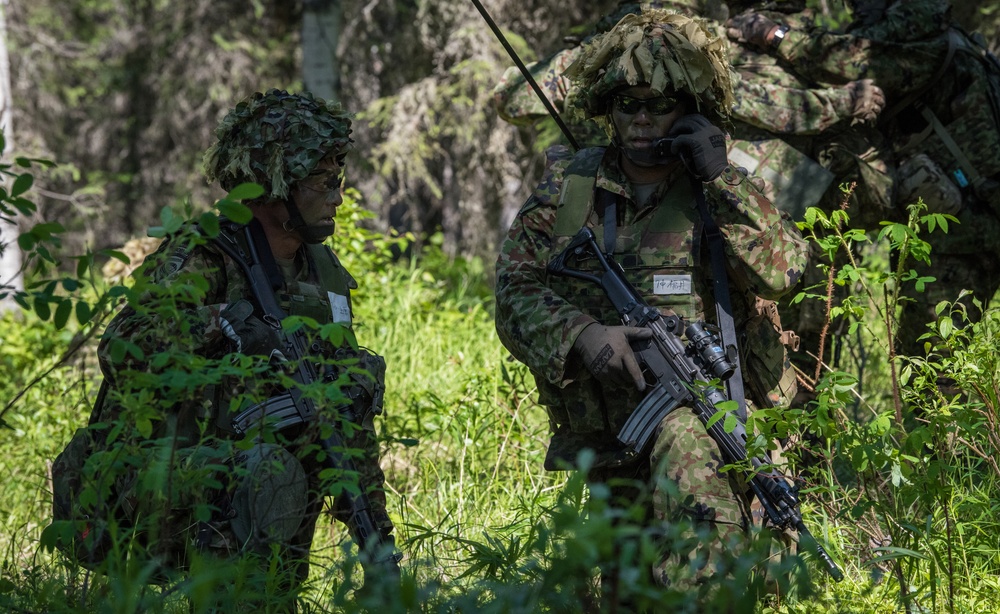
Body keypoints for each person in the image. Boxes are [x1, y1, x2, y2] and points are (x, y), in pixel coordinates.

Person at [494, 8, 808, 600]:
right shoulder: (573, 191)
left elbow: (785, 271)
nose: (640, 120)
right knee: (630, 589)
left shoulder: (719, 187)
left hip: (710, 422)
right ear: (606, 109)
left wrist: (719, 177)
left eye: (658, 104)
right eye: (626, 105)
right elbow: (514, 290)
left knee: (707, 566)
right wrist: (586, 335)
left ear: (689, 108)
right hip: (612, 434)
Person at [51, 89, 397, 607]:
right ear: (276, 183)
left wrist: (377, 542)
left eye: (338, 180)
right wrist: (222, 321)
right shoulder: (204, 252)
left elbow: (340, 417)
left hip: (254, 477)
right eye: (324, 181)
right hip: (156, 480)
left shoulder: (320, 273)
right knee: (269, 473)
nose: (338, 197)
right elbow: (123, 347)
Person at [727, 0, 1000, 357]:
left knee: (934, 364)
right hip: (957, 221)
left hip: (962, 230)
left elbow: (851, 60)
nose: (855, 10)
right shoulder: (941, 33)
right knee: (933, 359)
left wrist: (773, 34)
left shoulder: (917, 40)